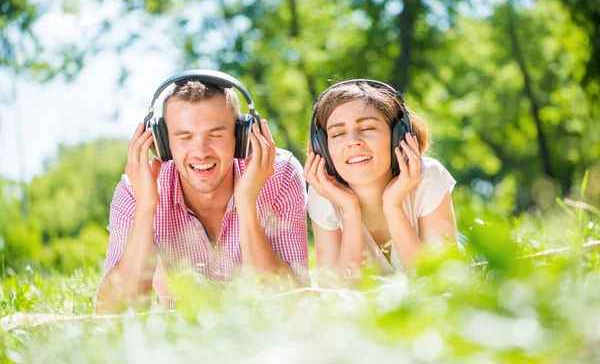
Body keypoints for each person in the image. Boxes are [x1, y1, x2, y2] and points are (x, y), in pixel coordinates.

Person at [96, 70, 308, 313]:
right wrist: (145, 208)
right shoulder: (137, 189)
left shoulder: (279, 173)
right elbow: (112, 315)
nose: (201, 151)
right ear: (161, 142)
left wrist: (247, 204)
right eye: (184, 136)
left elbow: (294, 304)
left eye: (215, 134)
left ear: (242, 137)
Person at [304, 79, 457, 278]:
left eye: (367, 128)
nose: (353, 142)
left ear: (398, 136)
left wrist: (393, 206)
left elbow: (439, 281)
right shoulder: (324, 192)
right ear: (323, 148)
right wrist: (350, 211)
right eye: (338, 133)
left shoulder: (428, 177)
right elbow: (337, 292)